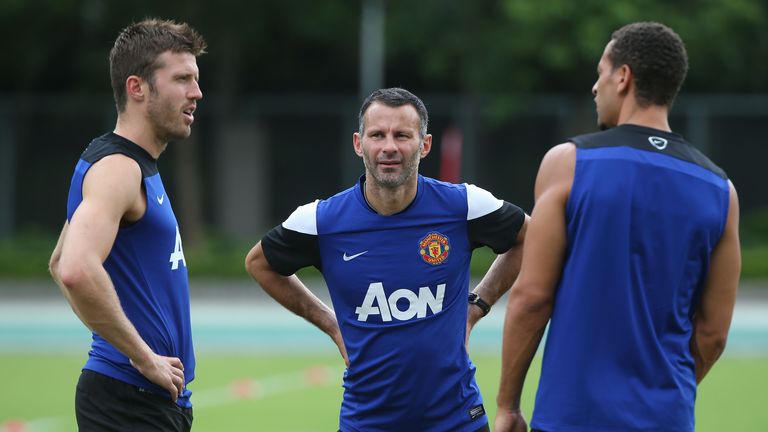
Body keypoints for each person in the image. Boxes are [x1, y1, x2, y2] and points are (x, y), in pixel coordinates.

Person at [494, 22, 741, 432]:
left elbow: (532, 298)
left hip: (572, 416)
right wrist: (662, 395)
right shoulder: (721, 191)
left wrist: (508, 405)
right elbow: (713, 335)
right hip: (667, 418)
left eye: (600, 72)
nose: (595, 87)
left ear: (623, 77)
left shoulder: (568, 163)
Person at [246, 87, 529, 431]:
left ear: (424, 145)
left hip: (457, 419)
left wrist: (477, 306)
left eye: (402, 135)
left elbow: (530, 238)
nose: (389, 147)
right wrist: (331, 324)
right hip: (367, 422)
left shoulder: (463, 205)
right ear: (358, 143)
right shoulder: (321, 221)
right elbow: (259, 263)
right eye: (377, 135)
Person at [48, 19, 206, 431]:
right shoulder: (118, 168)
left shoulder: (130, 163)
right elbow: (75, 268)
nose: (196, 93)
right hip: (128, 399)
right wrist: (138, 355)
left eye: (196, 79)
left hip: (143, 399)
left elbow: (60, 261)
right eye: (182, 79)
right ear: (137, 88)